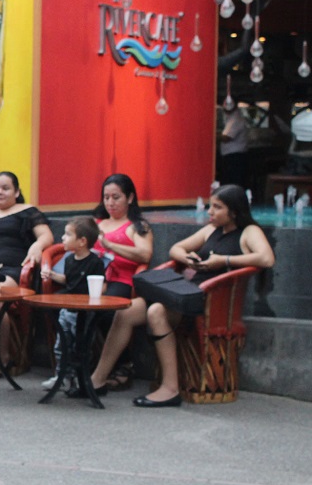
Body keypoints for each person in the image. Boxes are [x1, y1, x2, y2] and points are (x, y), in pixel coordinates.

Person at [89, 184, 275, 408]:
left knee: (156, 311)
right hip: (184, 294)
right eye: (210, 206)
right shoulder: (211, 229)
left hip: (210, 300)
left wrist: (223, 261)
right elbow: (176, 248)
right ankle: (97, 379)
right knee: (127, 311)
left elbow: (266, 258)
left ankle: (170, 389)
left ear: (234, 211)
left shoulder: (249, 232)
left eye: (217, 207)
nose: (210, 212)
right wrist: (188, 259)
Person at [0, 171, 54, 376]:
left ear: (16, 192)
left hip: (13, 271)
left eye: (5, 188)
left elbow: (46, 236)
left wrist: (37, 247)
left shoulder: (28, 211)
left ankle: (2, 358)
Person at [91, 174, 154, 391]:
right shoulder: (97, 223)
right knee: (66, 305)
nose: (110, 202)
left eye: (116, 197)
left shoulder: (137, 226)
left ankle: (123, 365)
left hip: (123, 279)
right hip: (95, 277)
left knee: (108, 311)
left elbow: (145, 254)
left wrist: (110, 246)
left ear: (130, 198)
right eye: (106, 197)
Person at [40, 217, 106, 391]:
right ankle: (62, 377)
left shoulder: (95, 262)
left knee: (81, 346)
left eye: (68, 234)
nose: (63, 238)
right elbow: (69, 280)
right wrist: (52, 275)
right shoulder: (69, 260)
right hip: (67, 309)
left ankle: (80, 380)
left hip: (85, 312)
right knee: (61, 345)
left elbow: (101, 285)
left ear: (82, 241)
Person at [218, 100, 248, 188]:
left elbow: (227, 137)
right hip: (230, 157)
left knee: (233, 183)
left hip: (235, 157)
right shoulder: (230, 118)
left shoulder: (236, 119)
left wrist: (212, 136)